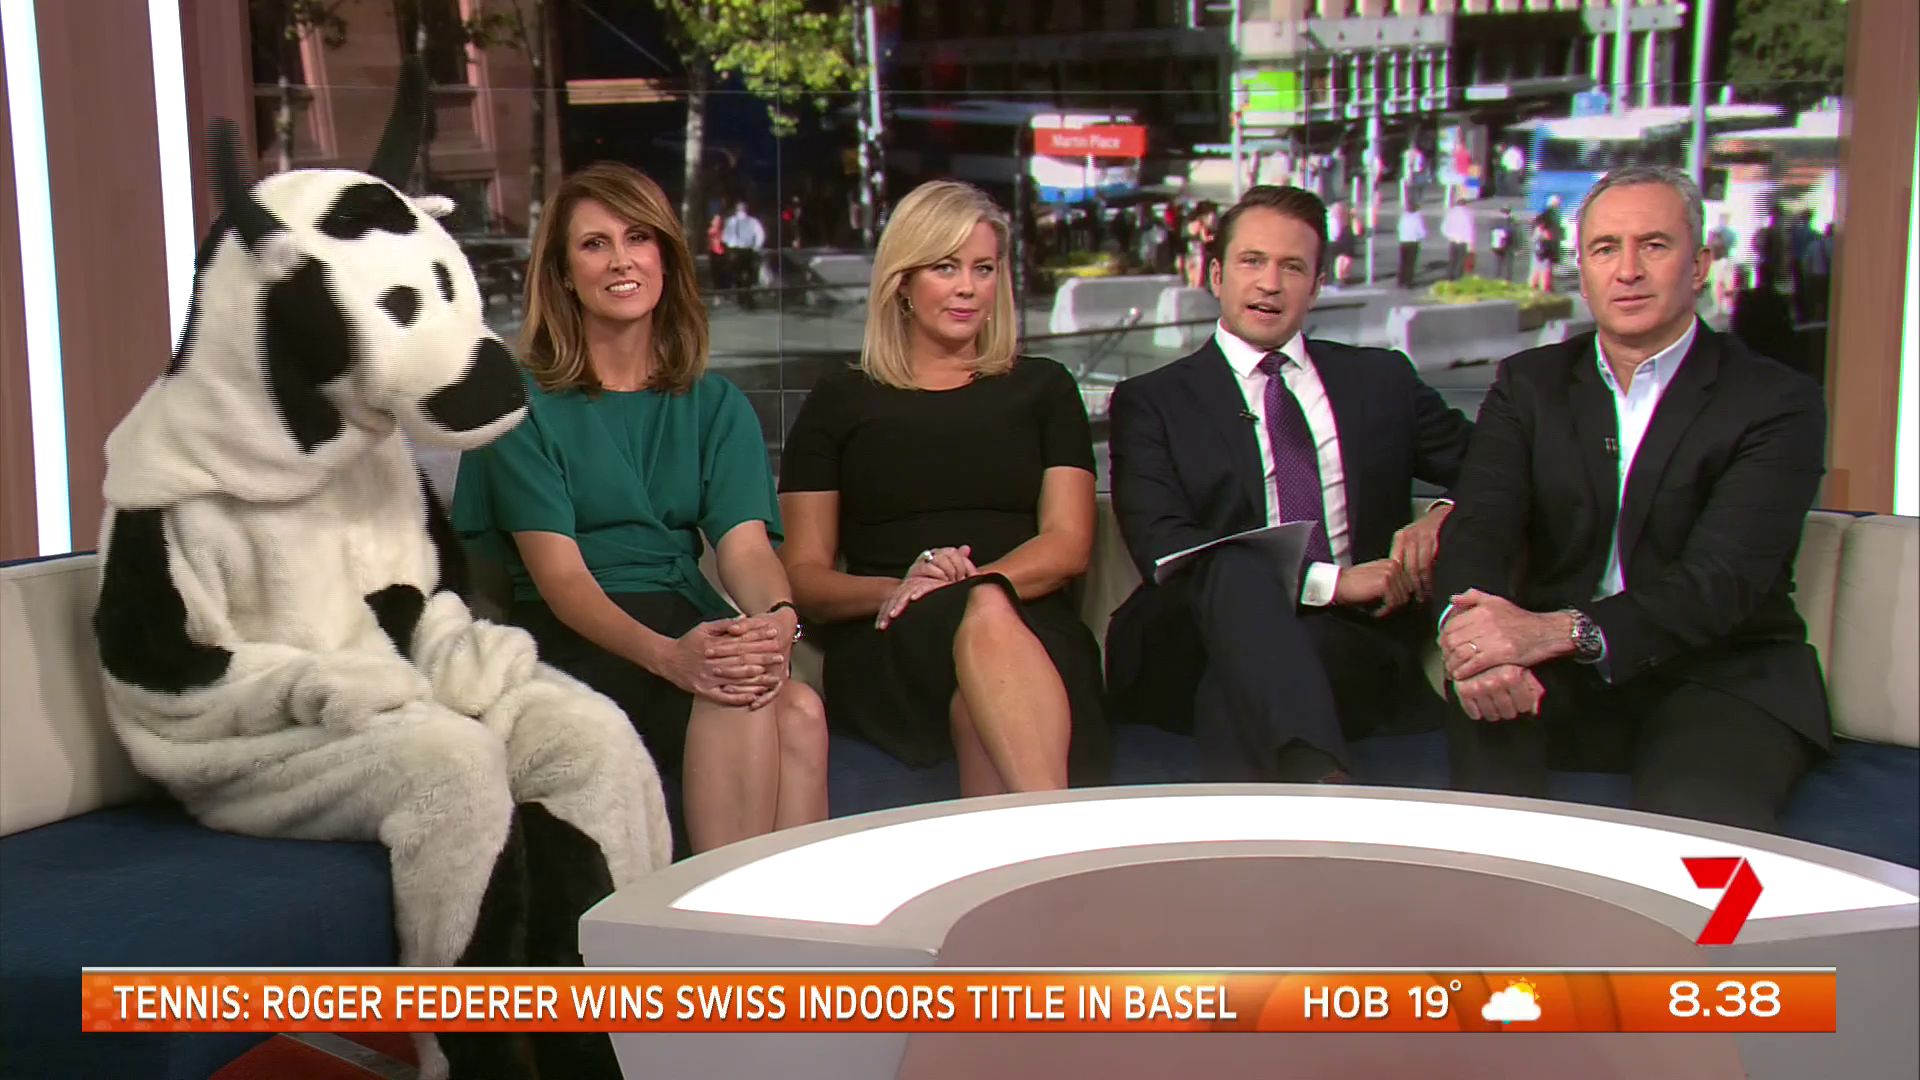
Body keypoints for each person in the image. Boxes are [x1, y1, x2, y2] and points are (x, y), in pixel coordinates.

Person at [1432, 165, 1830, 832]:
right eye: (1605, 248)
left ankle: (1712, 908)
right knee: (1489, 819)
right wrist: (1471, 638)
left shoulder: (1775, 401)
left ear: (1699, 265)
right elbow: (1479, 527)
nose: (1628, 271)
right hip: (1552, 670)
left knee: (1695, 842)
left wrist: (1551, 631)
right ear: (1582, 270)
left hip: (1721, 673)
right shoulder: (1529, 384)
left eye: (1654, 245)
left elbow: (1720, 582)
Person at [453, 163, 828, 856]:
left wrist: (779, 621)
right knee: (735, 693)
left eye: (639, 237)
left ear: (666, 258)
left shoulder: (715, 404)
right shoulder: (522, 407)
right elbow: (562, 580)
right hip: (580, 632)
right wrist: (671, 658)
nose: (622, 260)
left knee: (801, 708)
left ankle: (787, 920)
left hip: (682, 609)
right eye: (595, 244)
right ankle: (720, 919)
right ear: (565, 274)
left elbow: (746, 548)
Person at [1105, 185, 1475, 783]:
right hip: (1187, 636)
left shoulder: (1380, 381)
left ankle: (1310, 778)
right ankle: (1320, 789)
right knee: (1232, 562)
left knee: (1240, 682)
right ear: (1217, 274)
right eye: (1252, 261)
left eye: (1292, 267)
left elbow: (1495, 466)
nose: (1270, 284)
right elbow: (1163, 543)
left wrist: (1442, 514)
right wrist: (1330, 583)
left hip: (1347, 641)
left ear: (1317, 285)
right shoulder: (1152, 401)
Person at [778, 181, 1107, 795]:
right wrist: (906, 589)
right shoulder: (840, 400)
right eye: (945, 267)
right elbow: (804, 577)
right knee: (983, 636)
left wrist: (973, 587)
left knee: (982, 677)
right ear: (902, 282)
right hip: (893, 635)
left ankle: (1034, 840)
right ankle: (1059, 830)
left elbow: (1068, 545)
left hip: (1033, 624)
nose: (968, 288)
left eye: (984, 269)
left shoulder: (1045, 389)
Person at [721, 199, 766, 310]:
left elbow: (725, 237)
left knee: (739, 274)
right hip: (745, 250)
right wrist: (756, 246)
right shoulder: (749, 221)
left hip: (739, 250)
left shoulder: (734, 221)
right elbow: (760, 234)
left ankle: (743, 297)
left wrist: (730, 245)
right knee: (747, 274)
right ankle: (746, 298)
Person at [1528, 195, 1562, 293]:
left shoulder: (1549, 214)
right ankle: (1544, 288)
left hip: (1543, 245)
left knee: (1539, 266)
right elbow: (1541, 223)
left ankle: (1535, 286)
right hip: (1545, 246)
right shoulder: (1549, 214)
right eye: (1558, 204)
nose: (1559, 206)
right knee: (1544, 267)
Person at [1442, 189, 1475, 281]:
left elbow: (1444, 227)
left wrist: (1450, 236)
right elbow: (1470, 229)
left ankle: (1449, 277)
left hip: (1453, 241)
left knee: (1452, 260)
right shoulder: (1468, 213)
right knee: (1461, 260)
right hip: (1463, 241)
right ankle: (1458, 277)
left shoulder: (1451, 212)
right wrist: (1471, 243)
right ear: (1465, 204)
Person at [1396, 198, 1428, 288]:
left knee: (1403, 262)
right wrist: (1423, 236)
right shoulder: (1417, 218)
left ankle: (1400, 280)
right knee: (1410, 263)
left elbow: (1399, 228)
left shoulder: (1403, 217)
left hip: (1403, 241)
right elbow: (1421, 231)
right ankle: (1408, 281)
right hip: (1413, 242)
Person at [1490, 208, 1517, 283]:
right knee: (1508, 264)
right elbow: (1514, 234)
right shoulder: (1511, 221)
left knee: (1498, 263)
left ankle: (1496, 278)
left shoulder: (1496, 221)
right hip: (1508, 245)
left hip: (1497, 245)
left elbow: (1492, 232)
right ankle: (1507, 280)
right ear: (1509, 212)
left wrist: (1492, 244)